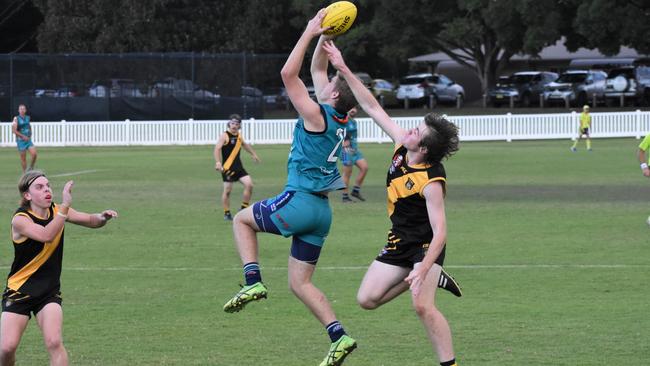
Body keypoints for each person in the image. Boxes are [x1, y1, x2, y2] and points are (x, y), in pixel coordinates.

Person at [222, 10, 358, 366]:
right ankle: (339, 335)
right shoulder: (338, 117)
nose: (322, 82)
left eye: (328, 84)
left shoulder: (316, 115)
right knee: (300, 283)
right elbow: (316, 70)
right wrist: (324, 38)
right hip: (321, 213)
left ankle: (252, 280)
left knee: (241, 220)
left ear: (331, 95)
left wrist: (308, 31)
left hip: (298, 202)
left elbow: (288, 73)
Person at [324, 40, 460, 366]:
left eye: (419, 131)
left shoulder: (431, 182)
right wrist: (342, 67)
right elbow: (371, 106)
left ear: (425, 149)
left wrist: (425, 266)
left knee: (422, 307)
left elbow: (441, 231)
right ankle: (430, 277)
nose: (412, 129)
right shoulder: (402, 147)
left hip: (426, 246)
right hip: (400, 242)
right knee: (366, 300)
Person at [1, 171, 117, 366]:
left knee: (54, 342)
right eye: (39, 187)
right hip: (19, 291)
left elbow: (90, 220)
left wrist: (102, 217)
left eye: (48, 186)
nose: (47, 190)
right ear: (27, 195)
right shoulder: (20, 220)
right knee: (6, 348)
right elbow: (47, 234)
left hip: (48, 292)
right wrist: (64, 208)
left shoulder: (57, 211)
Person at [214, 114, 261, 221]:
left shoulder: (239, 136)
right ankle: (227, 213)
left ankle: (243, 208)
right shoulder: (224, 135)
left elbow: (244, 145)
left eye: (236, 124)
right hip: (227, 169)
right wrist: (218, 162)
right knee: (227, 191)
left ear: (239, 125)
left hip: (239, 168)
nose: (234, 125)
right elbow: (217, 149)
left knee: (249, 185)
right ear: (229, 124)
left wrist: (253, 154)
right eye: (232, 123)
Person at [340, 107, 369, 203]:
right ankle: (345, 197)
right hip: (345, 150)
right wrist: (345, 141)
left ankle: (355, 191)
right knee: (347, 173)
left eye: (355, 108)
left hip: (355, 150)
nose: (353, 110)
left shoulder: (353, 121)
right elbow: (339, 131)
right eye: (351, 108)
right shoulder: (343, 120)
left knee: (364, 167)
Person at [11, 104, 38, 173]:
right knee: (23, 158)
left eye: (23, 109)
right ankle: (25, 174)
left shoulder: (27, 117)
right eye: (21, 109)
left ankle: (31, 167)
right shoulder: (16, 118)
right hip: (21, 141)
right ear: (18, 110)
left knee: (34, 154)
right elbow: (14, 131)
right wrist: (23, 136)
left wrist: (30, 133)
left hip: (28, 140)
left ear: (25, 110)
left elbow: (28, 126)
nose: (22, 110)